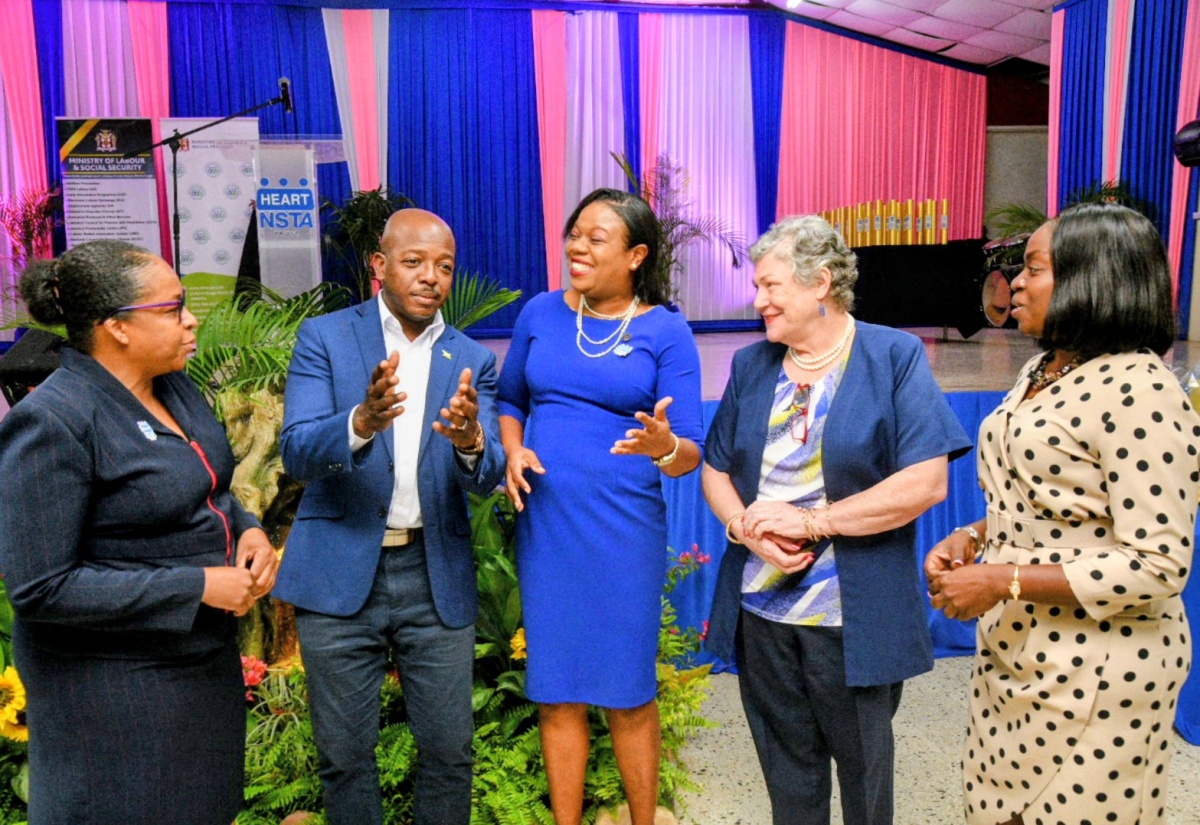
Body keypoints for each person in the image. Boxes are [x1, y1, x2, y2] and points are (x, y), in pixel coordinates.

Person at [925, 203, 1200, 825]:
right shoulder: (1041, 369)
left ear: (1091, 279)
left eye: (1033, 269)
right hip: (1019, 654)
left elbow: (1158, 566)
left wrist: (1000, 580)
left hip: (1103, 671)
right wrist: (975, 537)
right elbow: (1047, 501)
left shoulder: (1141, 388)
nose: (1014, 284)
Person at [702, 215, 972, 825]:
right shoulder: (752, 366)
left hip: (852, 618)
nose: (758, 299)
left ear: (820, 282)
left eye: (771, 286)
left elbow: (926, 483)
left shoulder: (891, 355)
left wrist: (811, 523)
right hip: (761, 613)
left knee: (863, 778)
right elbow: (715, 472)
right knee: (788, 779)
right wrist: (746, 527)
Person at [0, 240, 277, 824]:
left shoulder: (171, 386)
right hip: (113, 695)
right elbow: (41, 587)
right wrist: (196, 585)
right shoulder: (54, 420)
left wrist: (247, 529)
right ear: (116, 328)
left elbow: (207, 484)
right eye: (172, 308)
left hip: (198, 670)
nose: (191, 318)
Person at [274, 208, 504, 825]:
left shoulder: (472, 358)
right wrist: (360, 422)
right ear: (379, 266)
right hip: (339, 574)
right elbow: (296, 449)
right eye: (414, 262)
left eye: (445, 267)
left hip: (434, 577)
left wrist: (471, 441)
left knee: (449, 751)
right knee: (345, 755)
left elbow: (489, 478)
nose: (432, 277)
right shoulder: (325, 337)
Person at [498, 188, 703, 825]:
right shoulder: (540, 313)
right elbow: (509, 402)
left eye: (596, 238)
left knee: (628, 689)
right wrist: (511, 452)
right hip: (548, 528)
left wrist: (665, 445)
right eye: (574, 233)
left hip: (623, 532)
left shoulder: (665, 331)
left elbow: (689, 451)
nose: (577, 247)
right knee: (556, 690)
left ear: (637, 255)